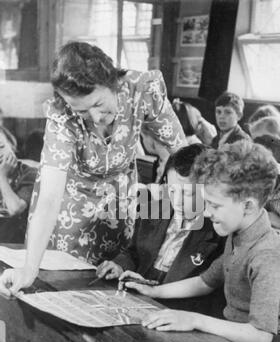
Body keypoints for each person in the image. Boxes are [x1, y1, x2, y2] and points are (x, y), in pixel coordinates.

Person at [122, 140, 280, 342]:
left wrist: (193, 319)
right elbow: (207, 280)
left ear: (248, 205)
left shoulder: (267, 254)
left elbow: (261, 335)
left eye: (214, 206)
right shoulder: (239, 234)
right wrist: (153, 291)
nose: (205, 212)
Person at [0, 41, 186, 297]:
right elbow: (50, 198)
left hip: (119, 205)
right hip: (70, 213)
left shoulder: (142, 89)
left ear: (113, 83)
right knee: (64, 288)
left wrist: (194, 215)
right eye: (82, 111)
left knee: (116, 282)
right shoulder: (61, 115)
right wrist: (28, 271)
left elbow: (181, 151)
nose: (96, 118)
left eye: (98, 104)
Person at [96, 144, 225, 314]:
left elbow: (209, 284)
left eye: (188, 194)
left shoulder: (220, 230)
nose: (177, 201)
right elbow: (133, 252)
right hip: (137, 297)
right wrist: (120, 265)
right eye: (172, 190)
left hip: (181, 310)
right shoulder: (153, 210)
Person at [0, 125, 37, 243]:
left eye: (1, 146)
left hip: (20, 243)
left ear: (11, 145)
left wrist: (2, 177)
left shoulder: (29, 173)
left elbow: (15, 209)